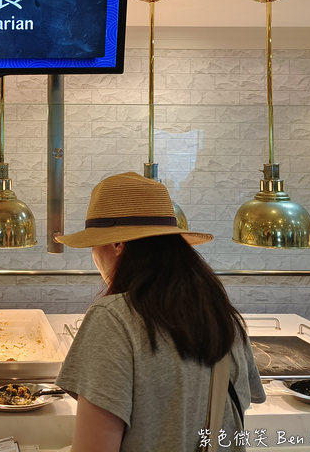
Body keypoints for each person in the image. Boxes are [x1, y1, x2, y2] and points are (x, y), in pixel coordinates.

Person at [53, 172, 265, 452]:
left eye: (94, 242)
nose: (93, 254)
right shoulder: (222, 316)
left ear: (117, 245)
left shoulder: (113, 318)